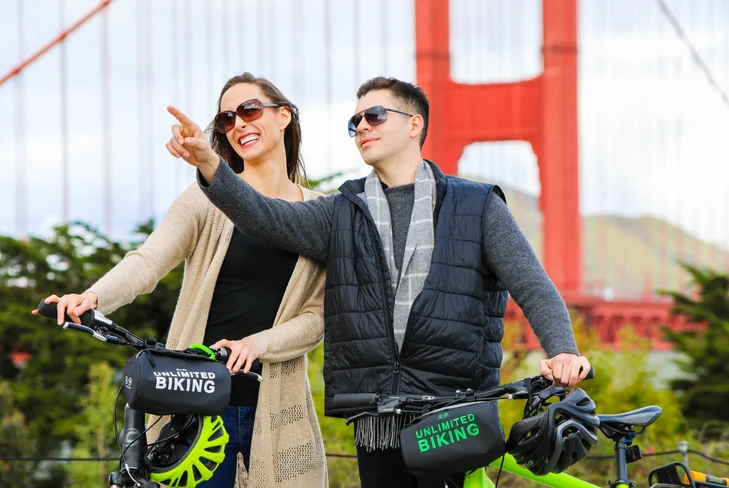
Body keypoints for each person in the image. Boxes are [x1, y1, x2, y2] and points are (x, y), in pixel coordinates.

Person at [165, 76, 591, 488]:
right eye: (355, 123)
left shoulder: (478, 206)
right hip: (375, 415)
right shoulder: (340, 211)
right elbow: (265, 217)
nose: (362, 128)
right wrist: (209, 163)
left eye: (374, 116)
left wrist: (563, 351)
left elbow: (532, 284)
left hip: (454, 415)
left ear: (414, 124)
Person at [34, 73, 329, 488]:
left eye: (249, 110)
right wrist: (92, 297)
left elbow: (318, 317)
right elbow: (149, 260)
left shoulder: (322, 213)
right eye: (228, 118)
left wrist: (257, 344)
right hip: (197, 406)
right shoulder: (205, 198)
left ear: (283, 116)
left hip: (280, 409)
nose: (239, 123)